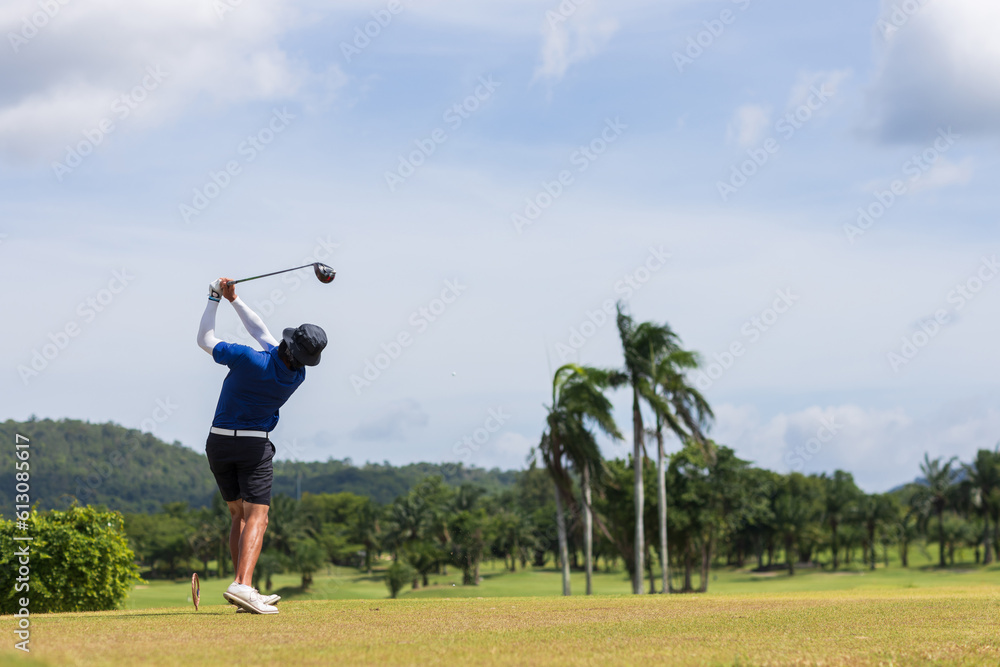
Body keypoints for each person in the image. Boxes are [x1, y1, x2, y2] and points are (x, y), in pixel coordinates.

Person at [196, 276, 327, 614]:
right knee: (258, 517)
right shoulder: (296, 376)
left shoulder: (246, 358)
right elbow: (260, 331)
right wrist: (234, 299)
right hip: (253, 447)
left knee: (239, 516)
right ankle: (242, 585)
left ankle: (243, 586)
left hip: (218, 442)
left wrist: (215, 298)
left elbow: (205, 339)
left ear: (287, 343)